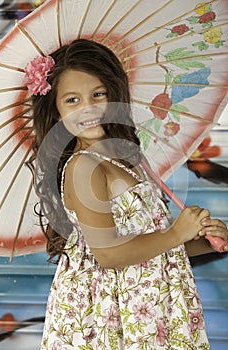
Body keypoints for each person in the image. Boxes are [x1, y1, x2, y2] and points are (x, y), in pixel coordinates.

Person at [27, 39, 228, 349]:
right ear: (55, 112)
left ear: (114, 93)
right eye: (72, 100)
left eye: (98, 94)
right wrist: (176, 234)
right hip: (114, 315)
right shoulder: (84, 168)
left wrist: (203, 240)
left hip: (153, 305)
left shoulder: (126, 159)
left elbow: (151, 248)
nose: (89, 108)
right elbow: (109, 254)